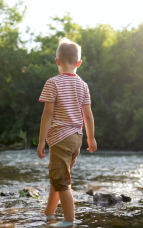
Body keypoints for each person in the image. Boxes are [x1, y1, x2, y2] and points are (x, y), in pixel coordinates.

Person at [37, 38, 97, 227]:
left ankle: (69, 221)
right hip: (76, 139)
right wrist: (91, 138)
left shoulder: (53, 83)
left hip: (60, 138)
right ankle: (49, 213)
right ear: (78, 63)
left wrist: (40, 142)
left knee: (61, 180)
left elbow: (47, 115)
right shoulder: (83, 85)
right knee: (59, 177)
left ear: (57, 61)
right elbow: (88, 115)